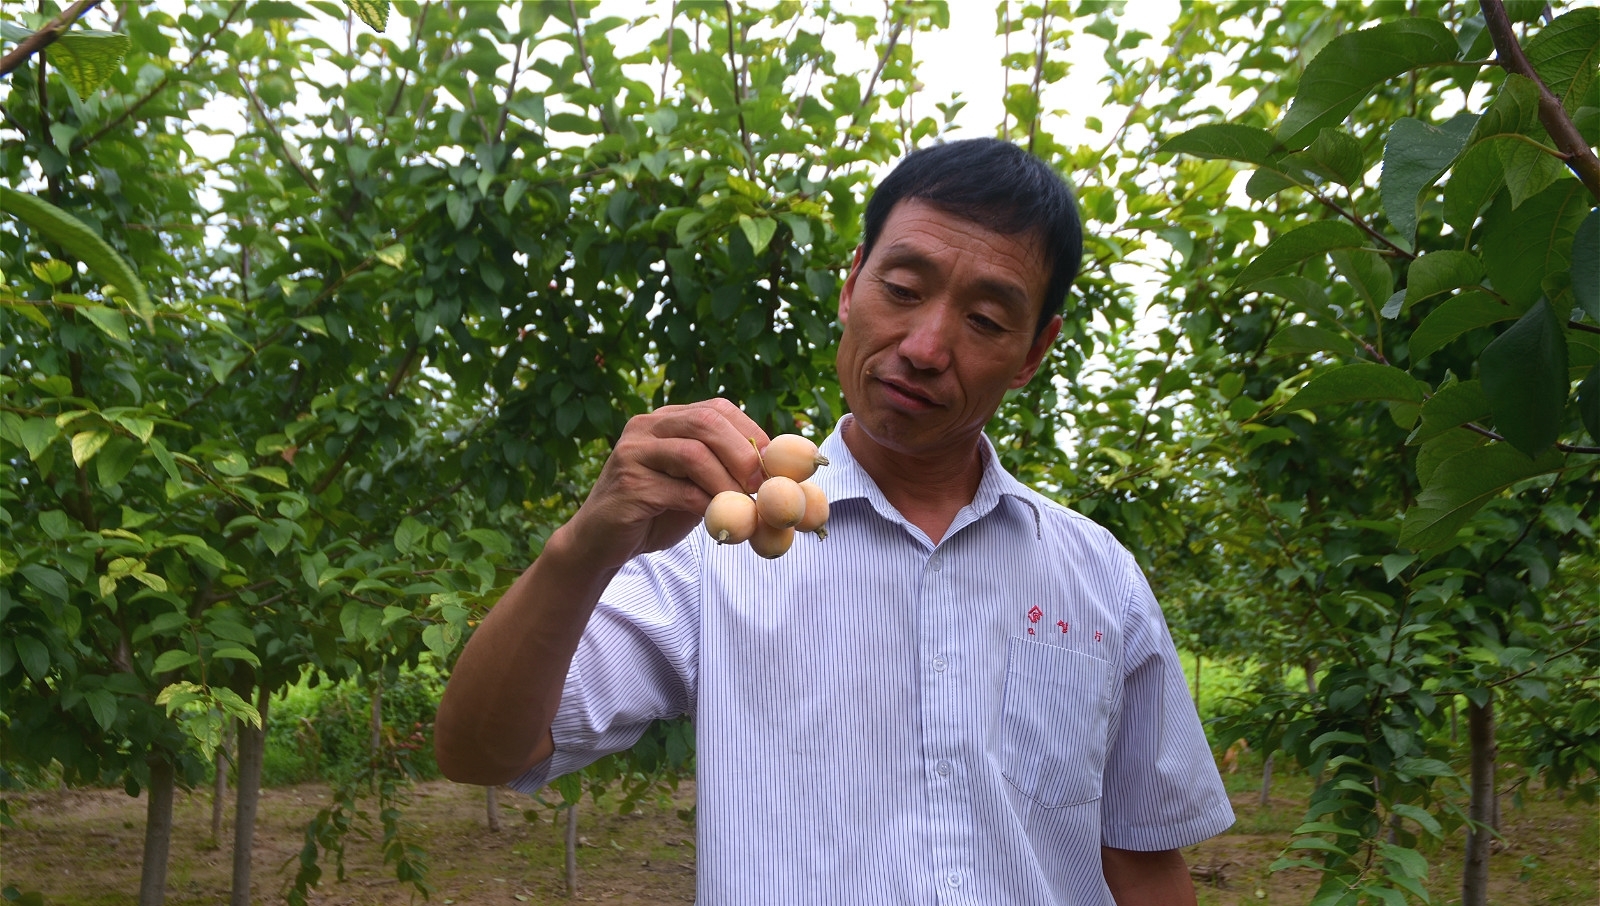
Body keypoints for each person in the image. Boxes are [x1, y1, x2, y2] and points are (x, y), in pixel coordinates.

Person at [434, 137, 1234, 905]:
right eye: (902, 288)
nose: (925, 346)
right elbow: (481, 752)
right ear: (851, 285)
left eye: (987, 321)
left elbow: (1140, 861)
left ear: (1034, 353)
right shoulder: (720, 542)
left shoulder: (1098, 578)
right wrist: (582, 548)